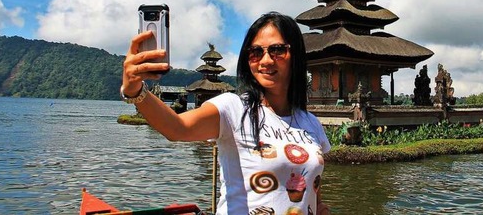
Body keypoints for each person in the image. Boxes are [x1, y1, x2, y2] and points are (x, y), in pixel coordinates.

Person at [121, 12, 331, 215]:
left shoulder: (310, 123)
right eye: (256, 52)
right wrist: (135, 90)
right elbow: (177, 128)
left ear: (296, 56)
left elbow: (311, 187)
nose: (266, 60)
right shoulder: (234, 109)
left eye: (277, 50)